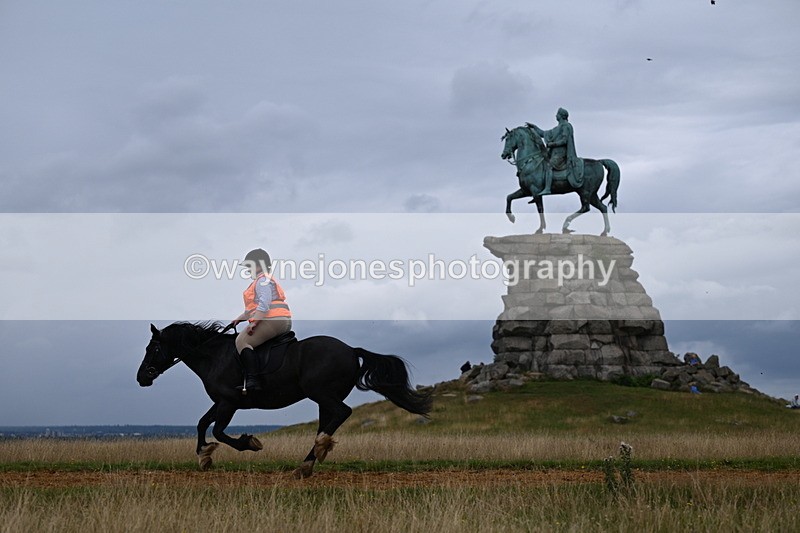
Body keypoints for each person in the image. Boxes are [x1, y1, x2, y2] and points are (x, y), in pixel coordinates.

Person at [231, 248, 292, 393]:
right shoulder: (263, 280)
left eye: (249, 265)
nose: (247, 269)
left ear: (258, 265)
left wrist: (255, 322)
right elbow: (252, 309)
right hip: (281, 320)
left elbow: (264, 303)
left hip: (272, 320)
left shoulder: (262, 281)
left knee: (241, 341)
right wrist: (239, 319)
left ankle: (253, 380)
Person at [525, 107, 584, 197]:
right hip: (554, 154)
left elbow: (564, 140)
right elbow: (543, 133)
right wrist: (534, 127)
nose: (556, 115)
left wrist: (552, 144)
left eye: (557, 114)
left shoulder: (566, 126)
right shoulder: (557, 128)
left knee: (549, 165)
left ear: (561, 116)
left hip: (561, 154)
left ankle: (547, 188)